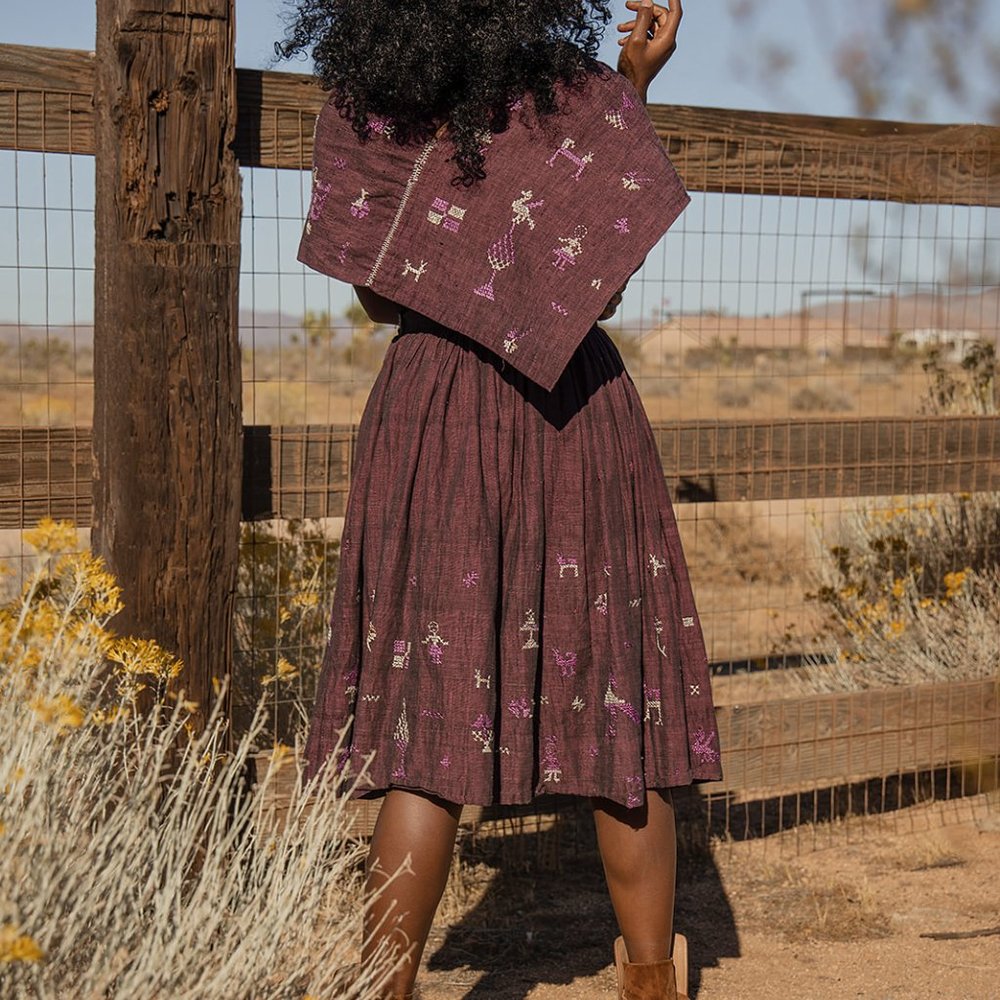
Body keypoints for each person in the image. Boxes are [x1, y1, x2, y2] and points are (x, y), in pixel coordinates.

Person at [279, 2, 721, 998]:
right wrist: (630, 85)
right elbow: (595, 284)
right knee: (616, 702)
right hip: (574, 405)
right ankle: (652, 984)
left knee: (425, 724)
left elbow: (379, 297)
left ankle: (384, 988)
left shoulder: (363, 106)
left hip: (433, 408)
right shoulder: (568, 92)